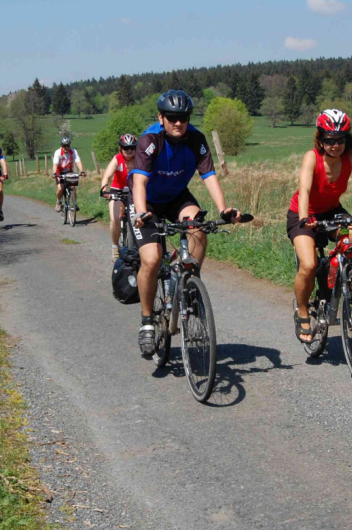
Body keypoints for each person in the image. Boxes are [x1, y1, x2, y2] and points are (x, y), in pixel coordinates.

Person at [129, 90, 244, 357]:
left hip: (176, 196)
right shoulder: (150, 140)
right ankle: (147, 320)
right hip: (146, 201)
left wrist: (223, 209)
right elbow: (139, 182)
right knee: (151, 259)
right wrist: (142, 212)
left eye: (183, 118)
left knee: (199, 228)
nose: (178, 123)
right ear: (161, 117)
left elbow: (210, 176)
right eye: (171, 118)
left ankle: (189, 280)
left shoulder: (196, 139)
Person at [287, 109, 352, 343]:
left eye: (340, 140)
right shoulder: (312, 157)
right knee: (308, 264)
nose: (335, 145)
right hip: (303, 215)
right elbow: (304, 189)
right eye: (330, 140)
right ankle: (302, 312)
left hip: (333, 212)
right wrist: (305, 218)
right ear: (321, 139)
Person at [99, 133, 137, 260]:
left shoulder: (140, 158)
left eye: (132, 147)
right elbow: (107, 176)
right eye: (126, 148)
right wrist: (104, 189)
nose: (130, 150)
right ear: (121, 149)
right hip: (117, 190)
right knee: (115, 219)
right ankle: (115, 246)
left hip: (135, 190)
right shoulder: (117, 159)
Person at [52, 135, 85, 212]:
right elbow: (55, 164)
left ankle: (74, 203)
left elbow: (78, 161)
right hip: (59, 172)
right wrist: (54, 173)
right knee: (60, 188)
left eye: (68, 145)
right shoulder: (58, 152)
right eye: (64, 146)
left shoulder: (73, 151)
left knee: (73, 187)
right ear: (61, 146)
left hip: (69, 171)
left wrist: (82, 171)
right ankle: (59, 201)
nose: (66, 147)